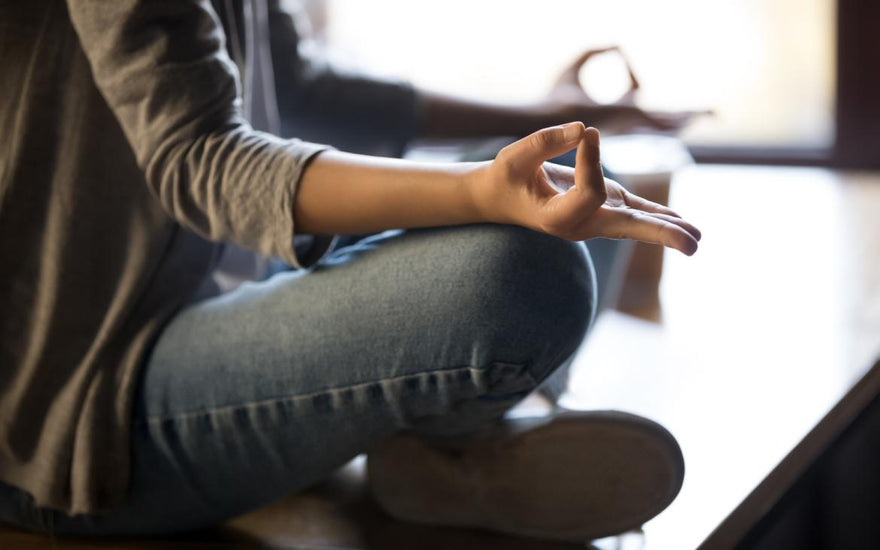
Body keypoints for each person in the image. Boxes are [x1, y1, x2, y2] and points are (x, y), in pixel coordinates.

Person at [0, 0, 701, 542]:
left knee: (585, 177)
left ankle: (455, 443)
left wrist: (561, 117)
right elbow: (202, 162)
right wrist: (480, 192)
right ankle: (465, 438)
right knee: (526, 267)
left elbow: (301, 87)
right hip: (81, 405)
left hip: (213, 292)